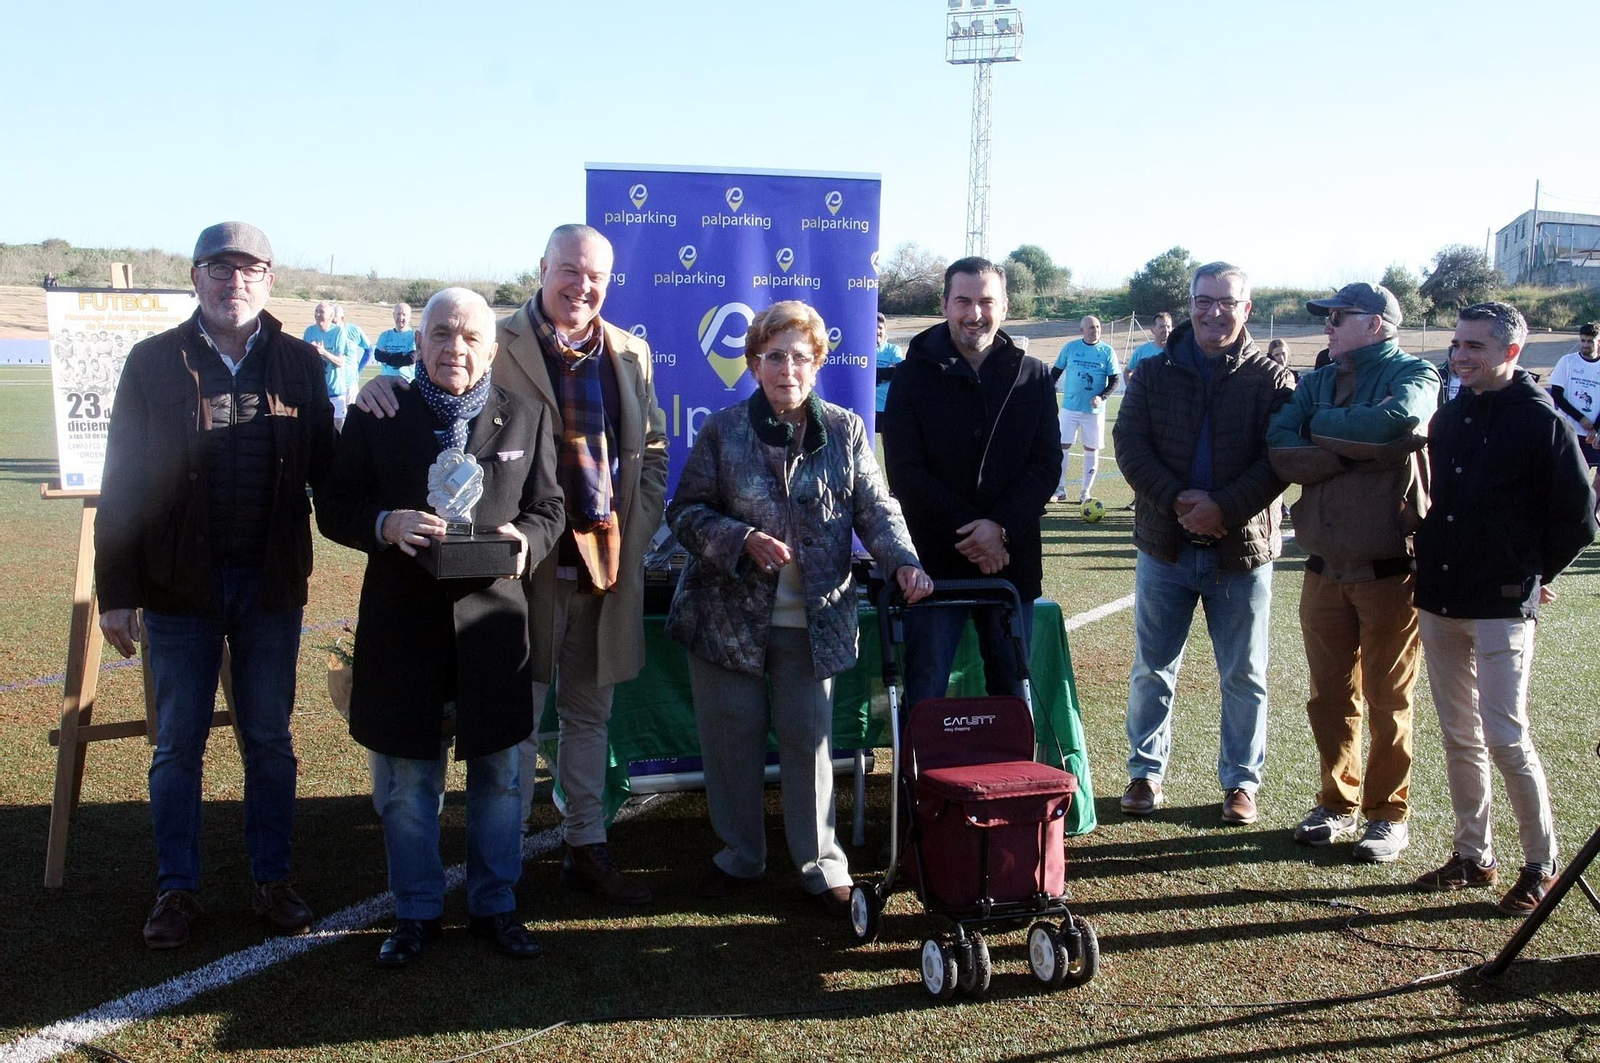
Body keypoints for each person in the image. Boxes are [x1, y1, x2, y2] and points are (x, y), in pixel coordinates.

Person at [355, 223, 668, 906]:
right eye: (569, 270)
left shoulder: (632, 353)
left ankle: (587, 844)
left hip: (603, 565)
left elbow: (651, 451)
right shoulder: (491, 336)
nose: (581, 286)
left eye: (595, 277)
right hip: (516, 570)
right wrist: (377, 385)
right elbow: (440, 389)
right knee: (515, 722)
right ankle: (512, 855)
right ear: (543, 268)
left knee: (589, 715)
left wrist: (637, 532)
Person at [95, 222, 336, 949]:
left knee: (269, 739)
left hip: (269, 588)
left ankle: (273, 879)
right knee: (178, 745)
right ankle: (176, 887)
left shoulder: (300, 363)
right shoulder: (152, 361)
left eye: (250, 269)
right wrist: (117, 589)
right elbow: (124, 481)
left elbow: (332, 469)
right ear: (195, 278)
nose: (236, 282)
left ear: (269, 280)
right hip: (178, 588)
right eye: (220, 269)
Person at [317, 288, 564, 966]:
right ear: (419, 343)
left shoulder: (528, 416)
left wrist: (527, 542)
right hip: (404, 629)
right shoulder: (379, 411)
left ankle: (496, 903)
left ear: (492, 348)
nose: (456, 347)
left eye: (470, 337)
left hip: (493, 633)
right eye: (442, 333)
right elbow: (334, 505)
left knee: (500, 779)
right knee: (407, 783)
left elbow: (551, 508)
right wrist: (384, 522)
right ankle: (416, 910)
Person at [666, 301, 930, 916]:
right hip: (726, 620)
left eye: (801, 357)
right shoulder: (722, 431)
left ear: (818, 364)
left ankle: (820, 866)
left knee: (810, 749)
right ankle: (740, 857)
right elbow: (684, 513)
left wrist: (904, 560)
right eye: (775, 356)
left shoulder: (845, 429)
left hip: (814, 621)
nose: (788, 367)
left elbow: (877, 508)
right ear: (755, 363)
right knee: (730, 745)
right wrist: (741, 540)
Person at [1411, 301, 1597, 914]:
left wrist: (1535, 573)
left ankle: (1540, 865)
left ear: (1510, 353)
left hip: (1500, 605)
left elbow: (1577, 519)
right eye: (1457, 345)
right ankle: (1473, 854)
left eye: (1475, 347)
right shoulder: (1453, 413)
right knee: (1458, 734)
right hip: (1439, 599)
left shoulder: (1542, 422)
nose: (1460, 356)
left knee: (1505, 735)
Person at [1112, 261, 1295, 824]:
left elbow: (1279, 460)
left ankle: (1240, 784)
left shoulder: (1272, 378)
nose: (1214, 311)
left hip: (1241, 551)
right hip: (1166, 545)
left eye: (1227, 301)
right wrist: (1180, 503)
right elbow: (1130, 444)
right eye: (1203, 300)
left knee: (1244, 674)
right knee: (1153, 668)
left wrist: (1225, 508)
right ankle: (1145, 774)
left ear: (1248, 307)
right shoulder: (1153, 370)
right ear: (1189, 303)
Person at [1267, 282, 1440, 863]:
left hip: (1390, 571)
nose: (1328, 326)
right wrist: (1351, 447)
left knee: (1391, 701)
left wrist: (1336, 436)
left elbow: (1394, 424)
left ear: (1378, 324)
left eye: (1339, 317)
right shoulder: (1315, 379)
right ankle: (1335, 802)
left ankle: (1387, 814)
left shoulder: (1415, 374)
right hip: (1321, 570)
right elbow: (1280, 444)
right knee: (1329, 697)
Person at [881, 257, 1061, 713]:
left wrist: (1000, 527)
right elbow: (905, 472)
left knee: (1013, 686)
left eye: (986, 301)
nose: (974, 313)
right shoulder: (911, 376)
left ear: (1004, 307)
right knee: (925, 686)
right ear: (944, 304)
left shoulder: (1034, 376)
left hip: (1011, 560)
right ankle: (920, 782)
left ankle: (1014, 782)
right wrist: (975, 533)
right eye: (963, 300)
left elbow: (1045, 466)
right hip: (934, 564)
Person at [1050, 315, 1120, 506]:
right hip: (1070, 409)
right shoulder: (1070, 348)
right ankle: (1060, 489)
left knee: (1091, 449)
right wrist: (1047, 394)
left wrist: (1101, 397)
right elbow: (1054, 374)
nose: (1095, 330)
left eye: (1097, 326)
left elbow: (1115, 380)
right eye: (1090, 327)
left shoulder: (1107, 351)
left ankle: (1085, 492)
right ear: (1082, 330)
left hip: (1093, 412)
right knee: (1062, 446)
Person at [1547, 320, 1600, 500]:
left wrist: (1595, 428)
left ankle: (1592, 514)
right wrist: (1581, 419)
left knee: (1595, 480)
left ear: (1598, 342)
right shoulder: (1567, 362)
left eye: (1590, 341)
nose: (1585, 345)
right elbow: (1558, 395)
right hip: (1569, 430)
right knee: (1569, 476)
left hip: (1593, 434)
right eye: (1583, 340)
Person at [305, 301, 356, 429]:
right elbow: (302, 359)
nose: (317, 314)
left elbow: (340, 362)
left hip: (335, 391)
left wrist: (323, 352)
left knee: (337, 429)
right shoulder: (309, 331)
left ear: (330, 315)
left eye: (321, 312)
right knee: (314, 429)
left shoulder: (338, 332)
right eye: (316, 311)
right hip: (315, 391)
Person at [373, 302, 420, 383]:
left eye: (404, 314)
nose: (400, 317)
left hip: (407, 382)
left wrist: (387, 358)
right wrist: (402, 355)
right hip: (386, 382)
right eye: (398, 314)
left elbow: (411, 359)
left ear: (409, 317)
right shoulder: (385, 335)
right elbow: (378, 356)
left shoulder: (414, 336)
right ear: (393, 315)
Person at [873, 311, 903, 430]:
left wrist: (874, 373)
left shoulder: (894, 350)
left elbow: (896, 372)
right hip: (867, 406)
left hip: (886, 406)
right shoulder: (862, 350)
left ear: (885, 329)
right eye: (874, 327)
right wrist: (884, 372)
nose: (877, 331)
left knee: (888, 444)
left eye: (880, 328)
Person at [1124, 312, 1172, 382]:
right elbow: (1127, 372)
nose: (1166, 330)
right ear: (1152, 330)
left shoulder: (1177, 351)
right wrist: (1132, 390)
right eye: (1162, 327)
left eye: (1168, 326)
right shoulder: (1141, 351)